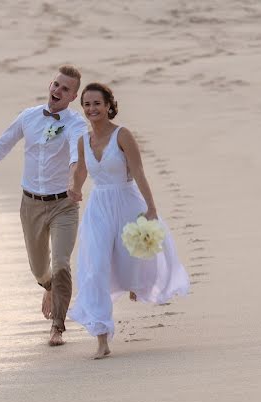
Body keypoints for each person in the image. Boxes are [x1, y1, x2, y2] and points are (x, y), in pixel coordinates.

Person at [0, 65, 88, 346]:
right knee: (40, 270)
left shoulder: (76, 124)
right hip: (30, 204)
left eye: (66, 89)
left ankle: (58, 327)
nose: (58, 91)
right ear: (50, 85)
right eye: (56, 84)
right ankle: (49, 287)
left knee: (62, 264)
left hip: (63, 204)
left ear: (74, 96)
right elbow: (1, 145)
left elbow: (77, 156)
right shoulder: (28, 117)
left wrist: (73, 182)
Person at [66, 82, 189, 359]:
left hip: (127, 201)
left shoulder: (123, 135)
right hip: (98, 206)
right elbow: (83, 172)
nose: (91, 109)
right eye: (86, 104)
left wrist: (152, 208)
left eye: (97, 103)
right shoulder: (83, 140)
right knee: (95, 266)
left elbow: (139, 172)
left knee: (131, 257)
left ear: (109, 106)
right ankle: (101, 337)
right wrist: (74, 187)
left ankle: (135, 283)